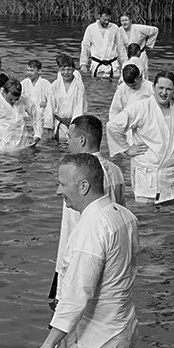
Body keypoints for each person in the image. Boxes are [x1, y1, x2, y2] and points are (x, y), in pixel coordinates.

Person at [33, 154, 139, 348]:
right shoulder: (125, 216)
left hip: (93, 343)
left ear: (83, 186)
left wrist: (49, 344)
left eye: (62, 183)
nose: (58, 190)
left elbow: (79, 293)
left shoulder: (91, 228)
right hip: (120, 330)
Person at [50, 116, 126, 301]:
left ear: (81, 140)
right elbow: (121, 212)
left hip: (80, 259)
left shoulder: (76, 175)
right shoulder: (115, 171)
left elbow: (77, 227)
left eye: (69, 137)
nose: (67, 142)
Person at [107, 72, 174, 204]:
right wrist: (127, 149)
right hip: (147, 172)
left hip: (173, 174)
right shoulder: (140, 107)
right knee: (146, 217)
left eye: (168, 89)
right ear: (153, 88)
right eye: (160, 88)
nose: (164, 93)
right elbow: (113, 126)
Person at [0, 79, 43, 153]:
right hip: (4, 148)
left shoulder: (23, 99)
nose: (13, 102)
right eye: (10, 99)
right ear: (4, 92)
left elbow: (36, 115)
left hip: (23, 145)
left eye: (16, 99)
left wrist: (38, 133)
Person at [44, 54, 87, 142]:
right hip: (59, 124)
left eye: (69, 69)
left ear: (74, 69)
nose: (66, 73)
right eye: (63, 69)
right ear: (59, 70)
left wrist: (75, 126)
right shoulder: (55, 85)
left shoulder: (79, 86)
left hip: (74, 124)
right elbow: (50, 107)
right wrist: (48, 128)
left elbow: (80, 107)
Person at [80, 7, 127, 78]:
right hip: (97, 65)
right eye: (104, 20)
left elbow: (121, 48)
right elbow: (85, 46)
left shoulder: (115, 28)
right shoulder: (91, 28)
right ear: (99, 16)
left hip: (113, 66)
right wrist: (83, 64)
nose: (107, 22)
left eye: (108, 20)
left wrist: (125, 64)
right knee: (98, 88)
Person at [21, 59, 51, 125]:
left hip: (41, 117)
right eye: (27, 70)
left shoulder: (45, 83)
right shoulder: (24, 83)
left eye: (31, 71)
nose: (29, 73)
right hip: (27, 117)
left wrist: (47, 103)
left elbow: (53, 99)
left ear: (39, 71)